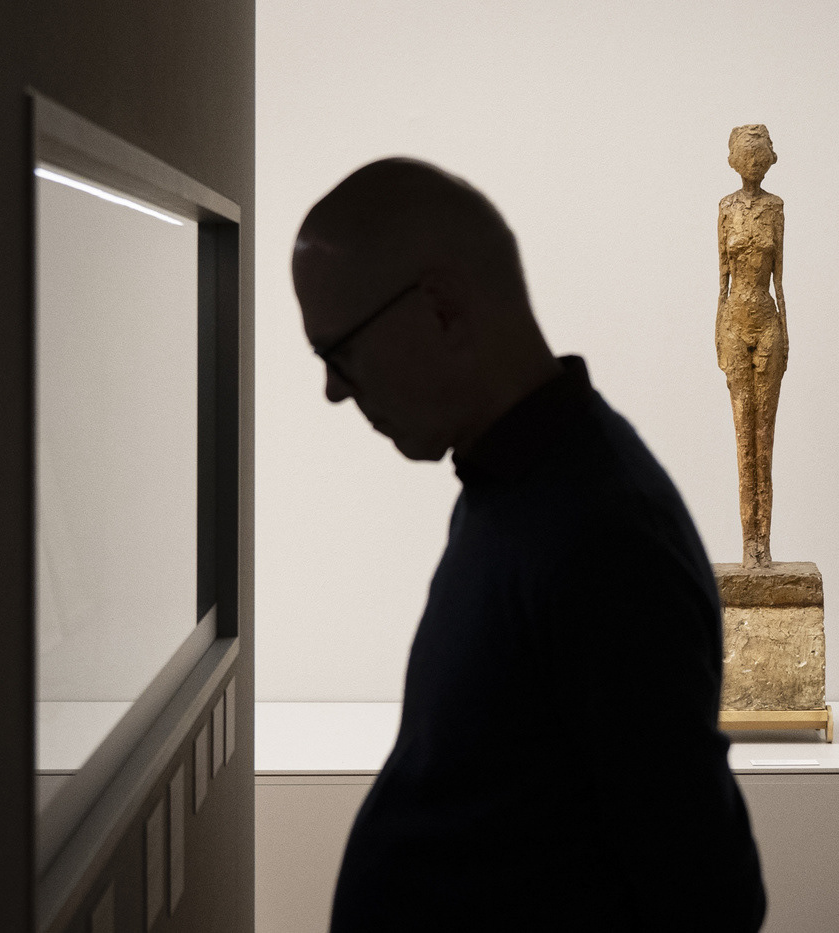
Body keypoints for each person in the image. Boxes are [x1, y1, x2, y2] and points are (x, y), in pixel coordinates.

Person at [291, 157, 766, 931]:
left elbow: (708, 896)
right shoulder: (515, 485)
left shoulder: (604, 536)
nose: (334, 390)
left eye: (337, 352)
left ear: (442, 308)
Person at [717, 124, 788, 569]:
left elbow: (781, 281)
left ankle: (764, 545)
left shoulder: (776, 208)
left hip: (767, 324)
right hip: (734, 325)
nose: (753, 160)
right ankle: (749, 546)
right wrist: (718, 336)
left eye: (759, 152)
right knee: (744, 438)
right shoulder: (725, 208)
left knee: (765, 440)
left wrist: (786, 338)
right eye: (746, 152)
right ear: (734, 159)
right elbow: (720, 281)